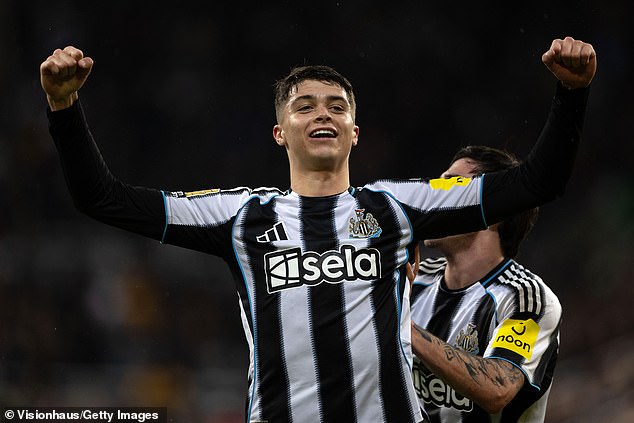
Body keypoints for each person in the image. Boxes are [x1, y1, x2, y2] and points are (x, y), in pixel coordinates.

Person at [39, 37, 595, 423]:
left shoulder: (400, 206)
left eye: (336, 106)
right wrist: (64, 108)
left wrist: (571, 96)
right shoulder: (241, 216)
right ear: (280, 132)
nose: (322, 114)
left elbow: (536, 182)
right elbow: (103, 199)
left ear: (355, 131)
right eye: (304, 107)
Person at [409, 145, 559, 422]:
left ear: (494, 208)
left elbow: (497, 389)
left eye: (452, 184)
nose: (433, 194)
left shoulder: (525, 298)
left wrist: (404, 328)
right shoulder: (414, 281)